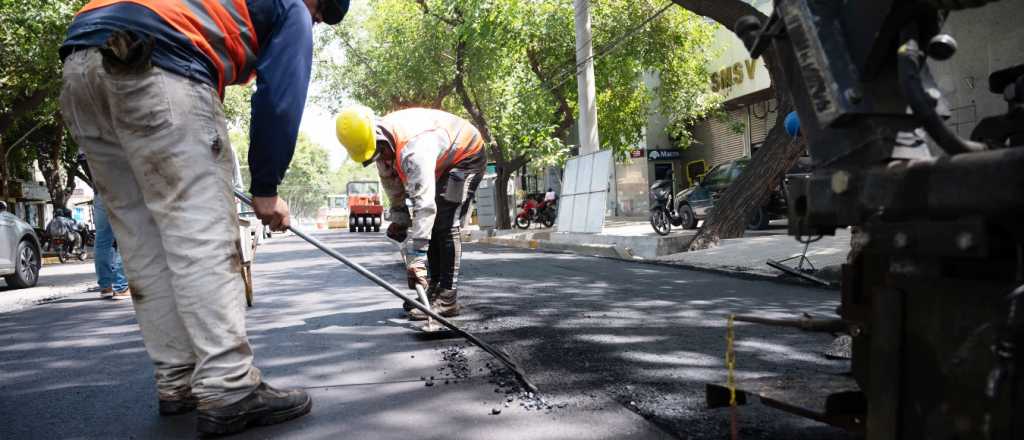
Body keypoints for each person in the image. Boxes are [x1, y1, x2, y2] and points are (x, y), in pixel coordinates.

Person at [58, 0, 349, 435]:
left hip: (81, 62)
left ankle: (177, 381)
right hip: (158, 56)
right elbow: (281, 93)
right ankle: (231, 389)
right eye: (321, 18)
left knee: (141, 241)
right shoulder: (292, 7)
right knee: (202, 236)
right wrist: (267, 189)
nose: (314, 25)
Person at [335, 106, 486, 320]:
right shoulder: (380, 145)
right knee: (432, 224)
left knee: (446, 222)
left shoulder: (414, 150)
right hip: (441, 161)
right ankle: (434, 288)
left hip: (465, 156)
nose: (382, 160)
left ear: (380, 139)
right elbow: (391, 182)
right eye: (374, 157)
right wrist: (400, 218)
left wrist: (417, 256)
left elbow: (424, 207)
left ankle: (448, 298)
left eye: (381, 154)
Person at [94, 194, 131, 300]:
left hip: (100, 192)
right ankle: (121, 287)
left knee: (102, 240)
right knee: (125, 236)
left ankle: (105, 287)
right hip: (122, 191)